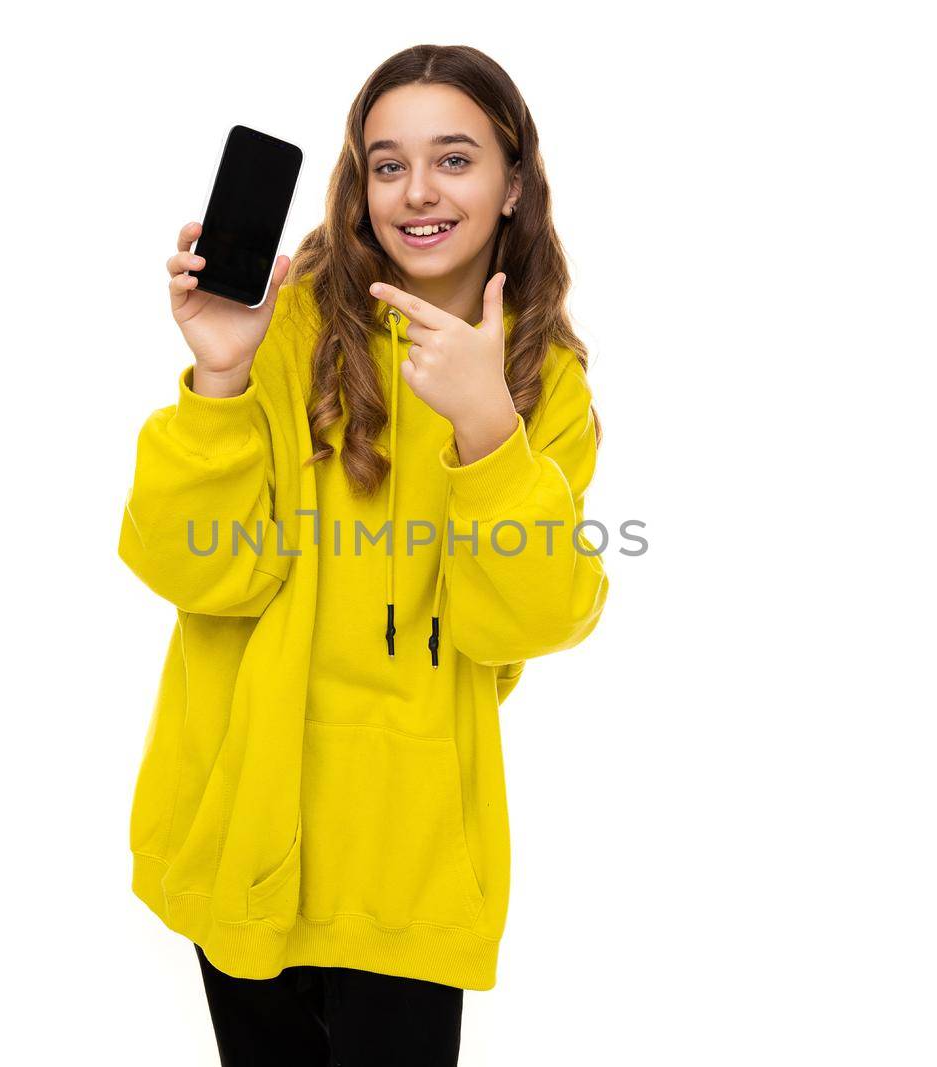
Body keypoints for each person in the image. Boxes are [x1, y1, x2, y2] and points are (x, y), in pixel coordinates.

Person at [118, 44, 610, 1066]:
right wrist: (218, 375)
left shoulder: (543, 381)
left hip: (410, 848)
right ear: (358, 183)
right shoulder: (284, 324)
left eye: (455, 159)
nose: (418, 191)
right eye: (387, 164)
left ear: (514, 180)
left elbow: (521, 622)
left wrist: (487, 432)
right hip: (245, 818)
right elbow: (195, 568)